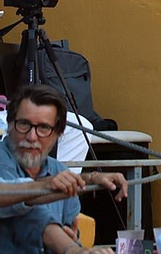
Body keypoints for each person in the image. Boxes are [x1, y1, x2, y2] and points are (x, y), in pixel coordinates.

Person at [0, 84, 129, 251]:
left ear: (57, 134)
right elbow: (31, 215)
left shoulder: (59, 171)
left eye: (43, 128)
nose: (32, 137)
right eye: (24, 124)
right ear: (10, 126)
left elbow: (67, 231)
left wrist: (73, 241)